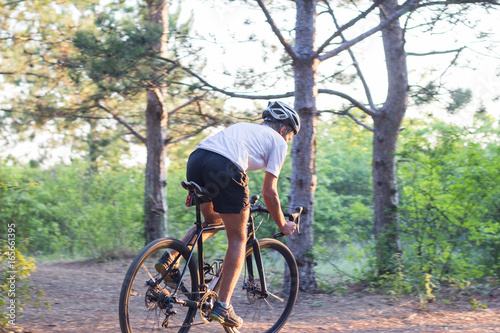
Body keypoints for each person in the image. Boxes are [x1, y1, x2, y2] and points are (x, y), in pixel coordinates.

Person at [155, 101, 300, 328]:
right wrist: (283, 224)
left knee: (211, 221)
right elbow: (269, 192)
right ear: (283, 129)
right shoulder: (279, 142)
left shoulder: (246, 128)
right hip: (225, 166)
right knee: (238, 239)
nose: (288, 140)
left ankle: (169, 260)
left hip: (197, 159)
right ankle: (223, 306)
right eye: (290, 135)